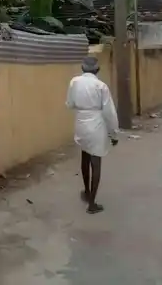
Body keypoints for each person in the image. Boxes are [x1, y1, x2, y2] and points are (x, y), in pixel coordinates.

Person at [65, 56, 119, 214]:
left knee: (85, 157)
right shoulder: (101, 86)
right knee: (96, 162)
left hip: (81, 123)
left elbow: (69, 104)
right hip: (96, 124)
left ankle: (87, 192)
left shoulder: (74, 82)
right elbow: (109, 112)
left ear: (82, 69)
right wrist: (114, 134)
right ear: (97, 70)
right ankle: (92, 204)